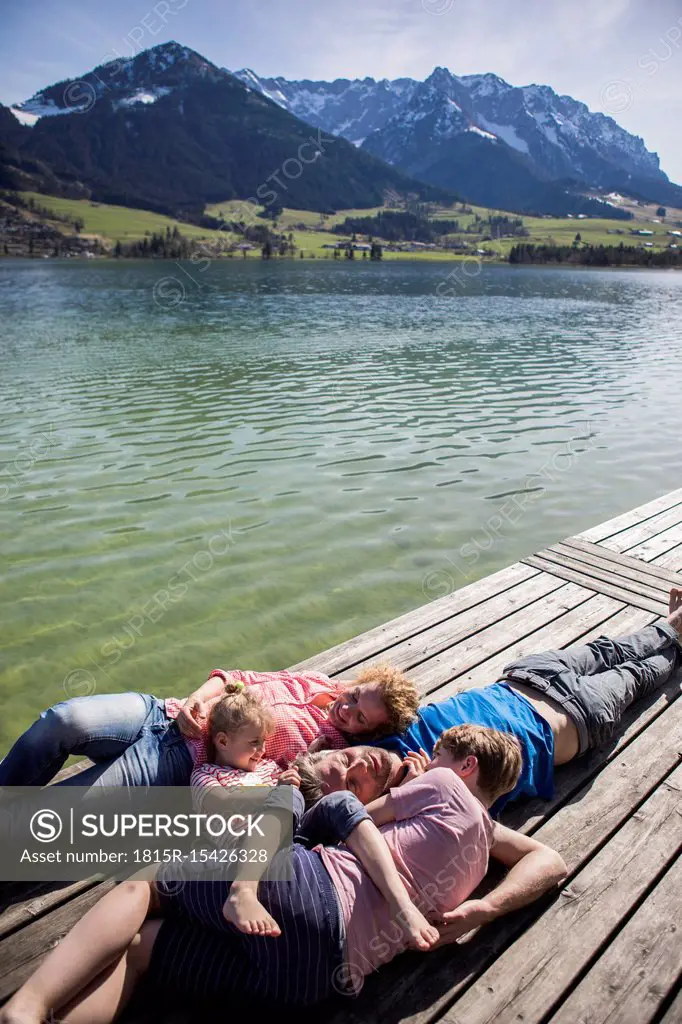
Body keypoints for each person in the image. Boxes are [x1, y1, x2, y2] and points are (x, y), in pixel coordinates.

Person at [0, 726, 566, 1023]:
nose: (423, 763)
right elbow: (553, 862)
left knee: (145, 883)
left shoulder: (443, 786)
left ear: (464, 767)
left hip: (310, 896)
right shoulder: (480, 853)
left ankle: (24, 1009)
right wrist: (483, 910)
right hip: (310, 983)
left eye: (438, 756)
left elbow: (349, 817)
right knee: (143, 950)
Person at [293, 589, 682, 813]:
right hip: (575, 715)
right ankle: (676, 632)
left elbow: (362, 694)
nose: (361, 764)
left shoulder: (378, 732)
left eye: (344, 760)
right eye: (355, 783)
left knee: (612, 648)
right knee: (641, 673)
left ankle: (671, 624)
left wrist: (309, 754)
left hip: (528, 676)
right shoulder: (430, 799)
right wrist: (405, 797)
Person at [0, 663, 419, 789]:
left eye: (360, 716)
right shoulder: (317, 684)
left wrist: (406, 779)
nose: (347, 708)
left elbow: (321, 787)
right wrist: (199, 698)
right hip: (162, 714)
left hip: (177, 759)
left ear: (367, 734)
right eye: (355, 696)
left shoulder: (328, 748)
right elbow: (238, 677)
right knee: (61, 719)